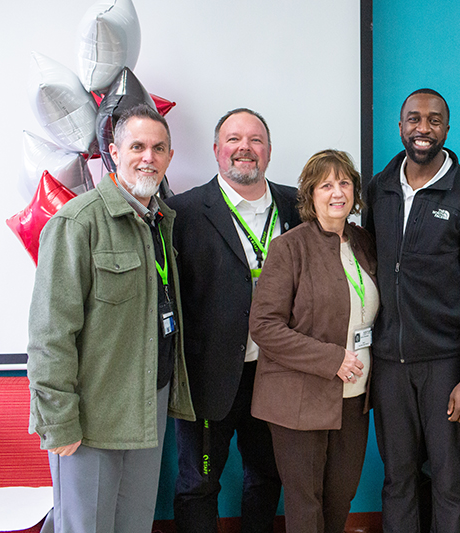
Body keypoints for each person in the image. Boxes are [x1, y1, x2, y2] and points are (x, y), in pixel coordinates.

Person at [27, 103, 195, 532]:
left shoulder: (161, 221)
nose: (148, 157)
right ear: (114, 152)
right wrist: (59, 421)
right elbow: (50, 334)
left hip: (148, 406)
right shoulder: (77, 222)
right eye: (137, 146)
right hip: (92, 416)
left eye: (159, 148)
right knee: (84, 525)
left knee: (133, 524)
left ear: (170, 157)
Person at [364, 89, 460, 533]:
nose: (423, 129)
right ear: (400, 125)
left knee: (449, 483)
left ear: (447, 128)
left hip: (448, 368)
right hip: (389, 366)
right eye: (414, 119)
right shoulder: (378, 189)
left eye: (434, 120)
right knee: (398, 480)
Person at [167, 108, 301, 533]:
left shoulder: (296, 205)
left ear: (269, 150)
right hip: (211, 376)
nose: (245, 148)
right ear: (216, 150)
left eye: (255, 139)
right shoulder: (182, 213)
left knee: (267, 477)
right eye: (233, 139)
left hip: (277, 374)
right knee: (198, 483)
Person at [247, 149, 377, 533]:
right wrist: (331, 359)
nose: (337, 192)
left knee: (340, 497)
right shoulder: (289, 247)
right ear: (310, 194)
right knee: (306, 505)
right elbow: (264, 325)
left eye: (344, 183)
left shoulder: (364, 242)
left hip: (355, 399)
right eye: (326, 185)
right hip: (298, 400)